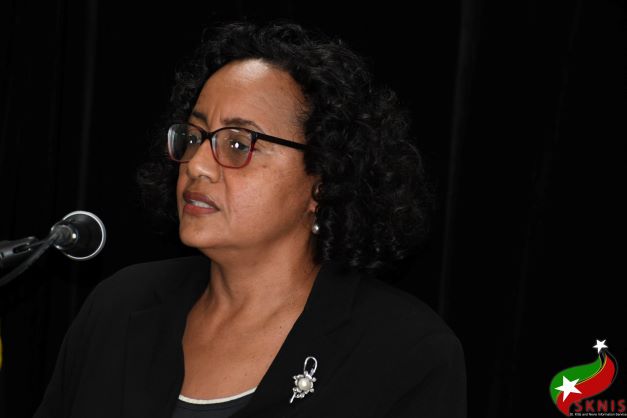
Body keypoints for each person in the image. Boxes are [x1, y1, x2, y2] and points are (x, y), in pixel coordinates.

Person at [34, 19, 466, 418]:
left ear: (323, 178)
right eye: (194, 136)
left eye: (238, 145)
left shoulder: (406, 352)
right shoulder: (119, 307)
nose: (196, 165)